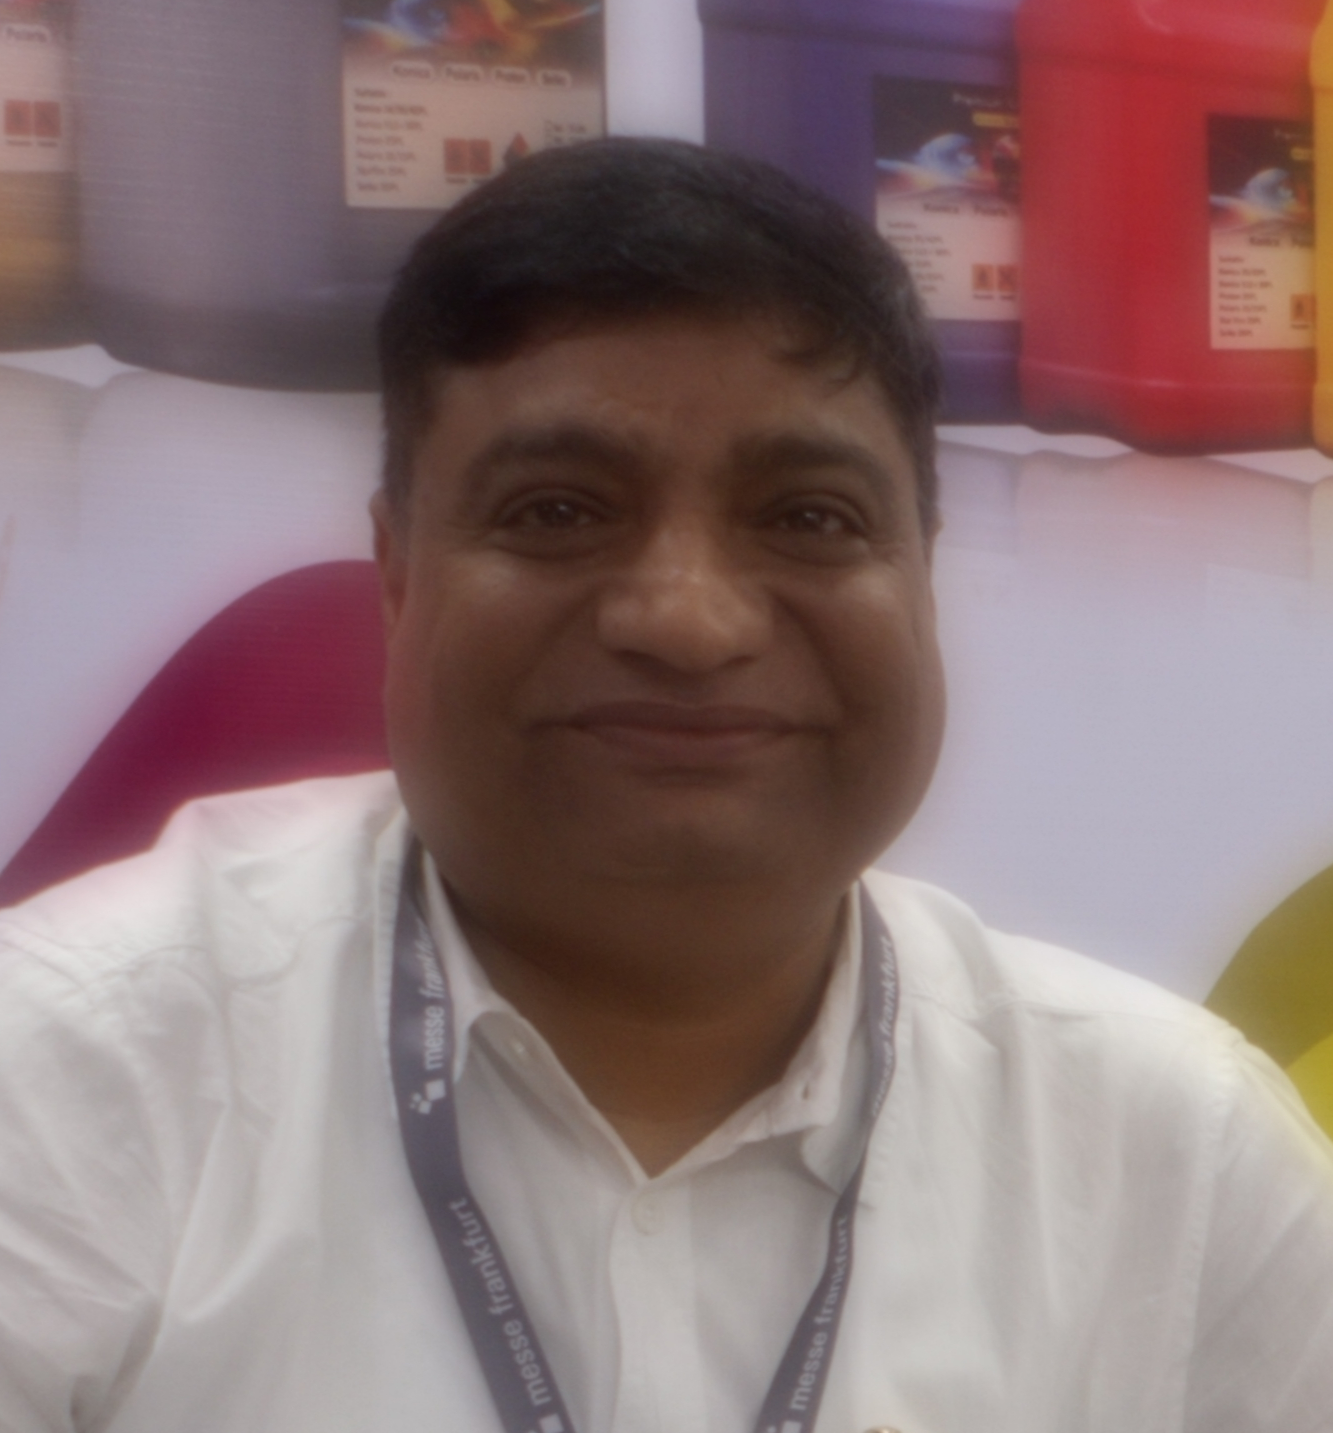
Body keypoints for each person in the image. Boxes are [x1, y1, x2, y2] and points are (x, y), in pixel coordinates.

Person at [1, 138, 1331, 1433]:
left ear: (923, 574)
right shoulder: (64, 1085)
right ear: (397, 577)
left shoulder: (1178, 1172)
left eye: (808, 517)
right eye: (558, 511)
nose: (689, 619)